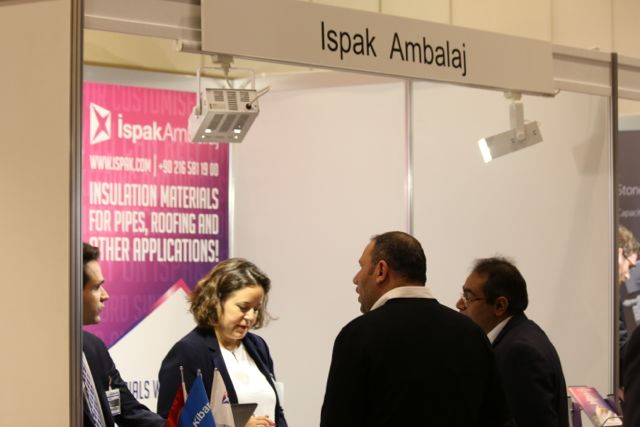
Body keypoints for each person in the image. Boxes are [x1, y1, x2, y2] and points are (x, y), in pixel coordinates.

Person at [320, 231, 513, 427]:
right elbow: (498, 420)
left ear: (381, 271)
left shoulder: (357, 336)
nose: (356, 279)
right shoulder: (472, 334)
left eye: (361, 267)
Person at [157, 258, 287, 427]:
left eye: (256, 309)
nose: (251, 316)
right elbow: (173, 423)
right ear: (216, 301)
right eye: (243, 307)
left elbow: (278, 412)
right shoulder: (188, 352)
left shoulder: (258, 345)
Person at [456, 256, 569, 427]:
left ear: (500, 306)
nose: (459, 304)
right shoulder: (522, 335)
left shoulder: (519, 353)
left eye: (468, 297)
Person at [82, 242, 165, 427]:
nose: (105, 296)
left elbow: (128, 412)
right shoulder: (47, 358)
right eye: (96, 287)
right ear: (72, 291)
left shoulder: (95, 348)